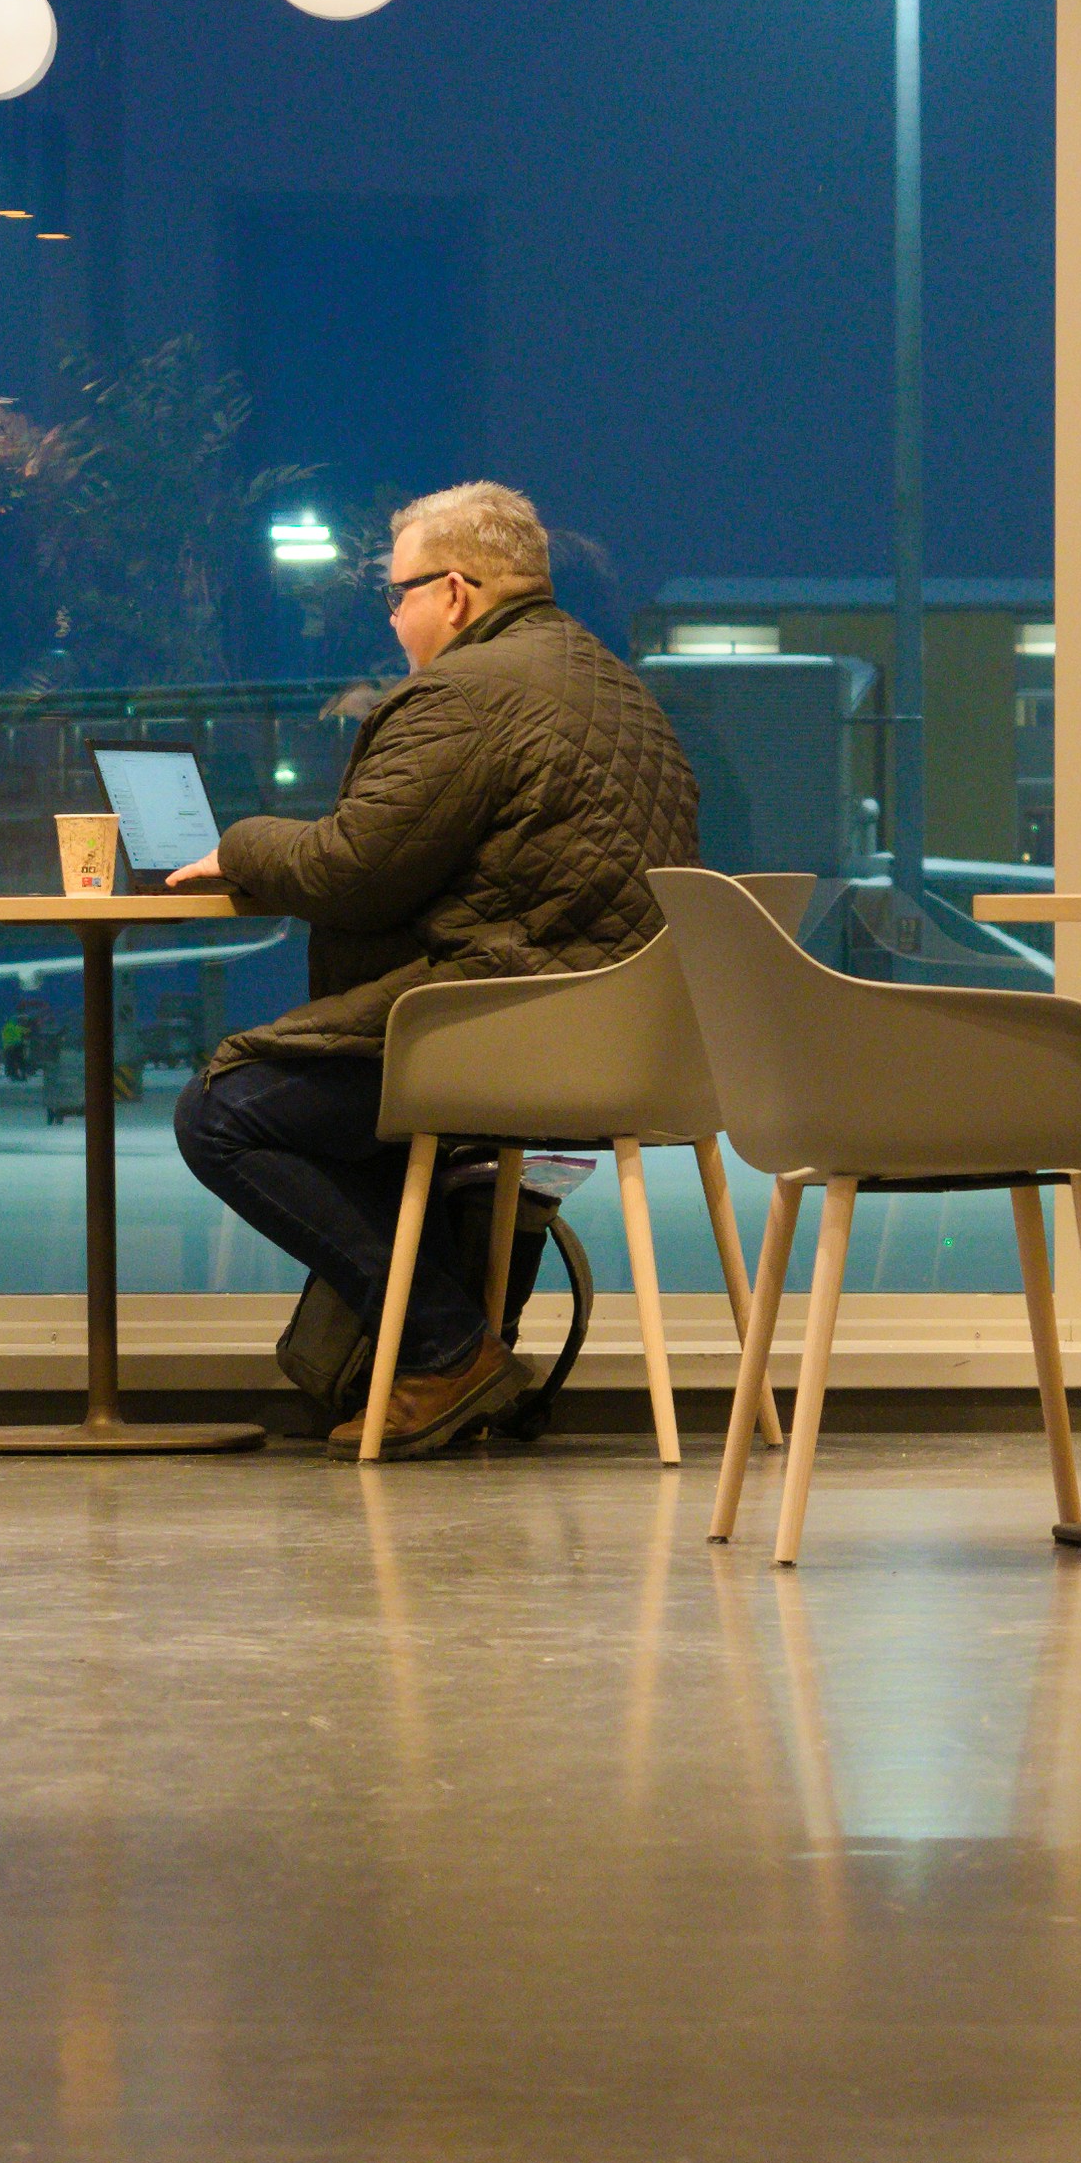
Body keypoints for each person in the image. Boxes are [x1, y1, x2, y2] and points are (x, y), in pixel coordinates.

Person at [171, 478, 695, 1452]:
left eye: (397, 593)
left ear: (453, 593)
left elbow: (352, 871)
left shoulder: (464, 692)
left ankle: (449, 1349)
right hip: (630, 1044)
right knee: (345, 1108)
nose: (391, 616)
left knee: (224, 1113)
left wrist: (241, 843)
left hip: (513, 1035)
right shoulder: (614, 685)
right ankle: (444, 1353)